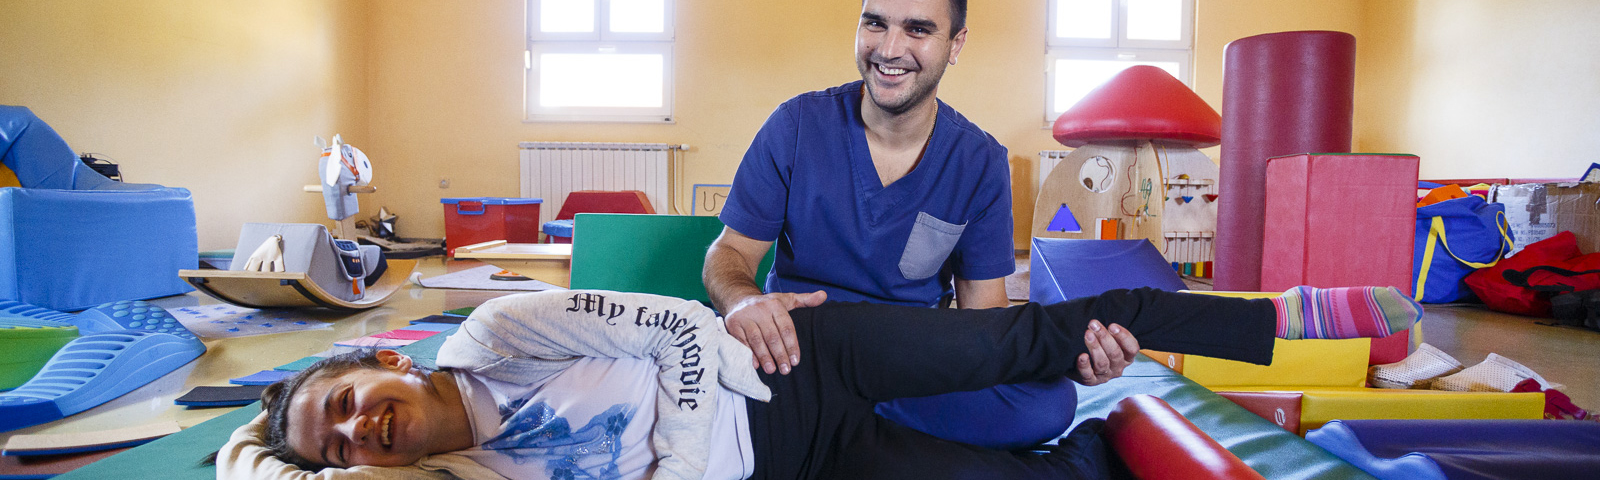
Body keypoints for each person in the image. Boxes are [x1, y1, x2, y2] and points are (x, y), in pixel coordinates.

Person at [215, 285, 1423, 480]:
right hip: (799, 463)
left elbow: (679, 329)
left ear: (383, 358)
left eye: (341, 405)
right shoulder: (469, 472)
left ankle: (1286, 317)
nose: (358, 432)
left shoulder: (492, 332)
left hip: (806, 356)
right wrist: (265, 451)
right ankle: (1107, 447)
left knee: (1032, 341)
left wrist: (682, 466)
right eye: (337, 450)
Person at [703, 0, 1086, 449]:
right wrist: (743, 301)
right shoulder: (796, 125)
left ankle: (820, 418)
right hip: (799, 346)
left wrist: (1060, 355)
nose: (889, 49)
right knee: (682, 361)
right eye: (875, 24)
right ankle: (848, 425)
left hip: (905, 361)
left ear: (955, 44)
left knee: (1049, 402)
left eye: (917, 30)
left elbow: (984, 316)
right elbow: (729, 252)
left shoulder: (979, 162)